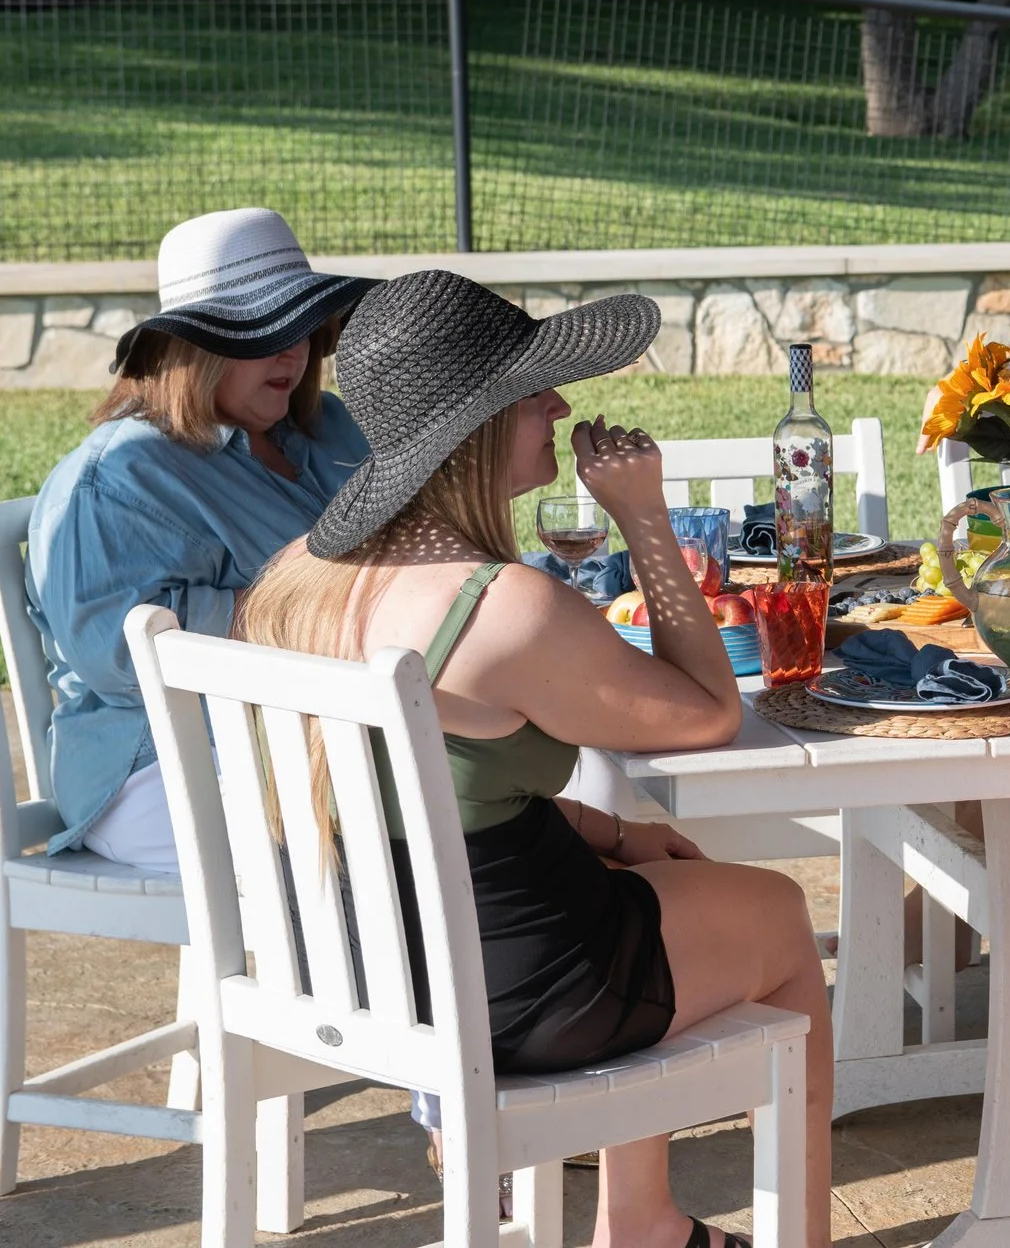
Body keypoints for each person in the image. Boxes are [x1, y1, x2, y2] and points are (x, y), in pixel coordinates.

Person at [238, 270, 831, 1248]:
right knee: (773, 911)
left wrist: (609, 828)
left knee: (652, 874)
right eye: (532, 391)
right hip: (516, 987)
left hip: (368, 968)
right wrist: (642, 515)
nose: (557, 404)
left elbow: (430, 800)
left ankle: (641, 1215)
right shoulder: (503, 607)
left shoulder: (300, 578)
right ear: (474, 426)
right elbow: (707, 711)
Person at [27, 207, 375, 870]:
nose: (292, 349)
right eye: (260, 330)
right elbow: (116, 656)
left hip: (325, 733)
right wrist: (325, 604)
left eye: (301, 322)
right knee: (405, 843)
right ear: (193, 348)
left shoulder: (327, 428)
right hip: (159, 764)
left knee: (520, 790)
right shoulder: (120, 475)